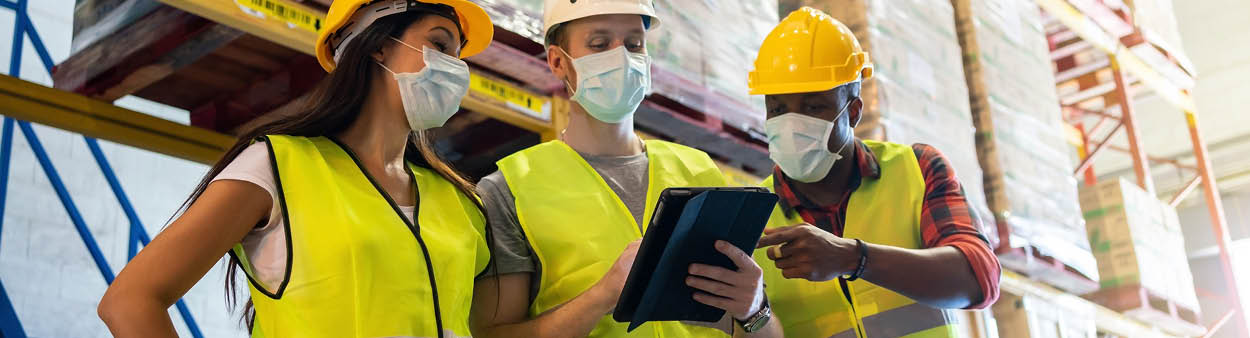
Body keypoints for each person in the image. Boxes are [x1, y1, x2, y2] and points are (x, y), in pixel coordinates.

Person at [97, 1, 494, 337]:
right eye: (439, 44)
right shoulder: (277, 166)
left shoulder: (460, 203)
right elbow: (130, 300)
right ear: (377, 45)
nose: (454, 69)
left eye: (457, 56)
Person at [467, 0, 782, 337]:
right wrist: (602, 296)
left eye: (634, 44)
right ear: (559, 62)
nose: (622, 57)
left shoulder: (699, 171)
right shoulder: (511, 188)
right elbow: (493, 333)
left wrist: (755, 311)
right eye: (600, 44)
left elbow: (763, 331)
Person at [747, 7, 1002, 338]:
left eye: (813, 107)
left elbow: (977, 276)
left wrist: (854, 258)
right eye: (778, 109)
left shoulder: (916, 170)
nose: (793, 125)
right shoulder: (752, 216)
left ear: (852, 112)